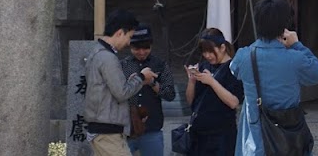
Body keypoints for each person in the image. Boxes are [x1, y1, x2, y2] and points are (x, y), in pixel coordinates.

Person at [229, 0, 318, 156]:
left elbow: (234, 70)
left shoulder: (244, 56)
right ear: (284, 26)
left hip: (256, 138)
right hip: (289, 137)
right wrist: (296, 44)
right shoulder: (295, 58)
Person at [84, 9, 156, 156]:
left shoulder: (97, 52)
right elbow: (121, 93)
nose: (129, 42)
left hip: (101, 130)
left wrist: (131, 82)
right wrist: (141, 78)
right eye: (129, 36)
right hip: (107, 132)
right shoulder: (107, 58)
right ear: (119, 33)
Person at [119, 25, 176, 156]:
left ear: (151, 45)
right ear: (130, 46)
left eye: (146, 48)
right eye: (136, 48)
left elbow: (170, 94)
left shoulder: (160, 64)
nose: (141, 52)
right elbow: (117, 93)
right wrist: (132, 83)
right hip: (126, 129)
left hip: (152, 128)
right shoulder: (123, 65)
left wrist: (152, 83)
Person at [184, 29, 243, 156]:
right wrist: (192, 81)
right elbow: (191, 102)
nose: (207, 55)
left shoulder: (233, 68)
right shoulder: (204, 66)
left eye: (211, 51)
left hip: (222, 136)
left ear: (222, 47)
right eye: (204, 52)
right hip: (199, 134)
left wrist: (212, 82)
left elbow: (234, 102)